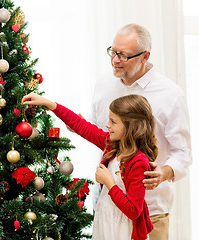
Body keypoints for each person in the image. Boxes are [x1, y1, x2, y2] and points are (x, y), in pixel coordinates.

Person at [90, 23, 192, 240]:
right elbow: (101, 135)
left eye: (123, 55)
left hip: (150, 212)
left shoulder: (171, 95)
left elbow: (183, 153)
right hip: (106, 206)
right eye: (113, 52)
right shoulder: (104, 84)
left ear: (145, 57)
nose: (115, 60)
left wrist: (163, 173)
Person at [22, 93, 156, 240]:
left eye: (113, 121)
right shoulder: (110, 144)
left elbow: (133, 211)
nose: (107, 125)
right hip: (105, 221)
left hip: (123, 230)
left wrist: (109, 183)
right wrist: (50, 104)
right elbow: (81, 125)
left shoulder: (138, 162)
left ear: (130, 127)